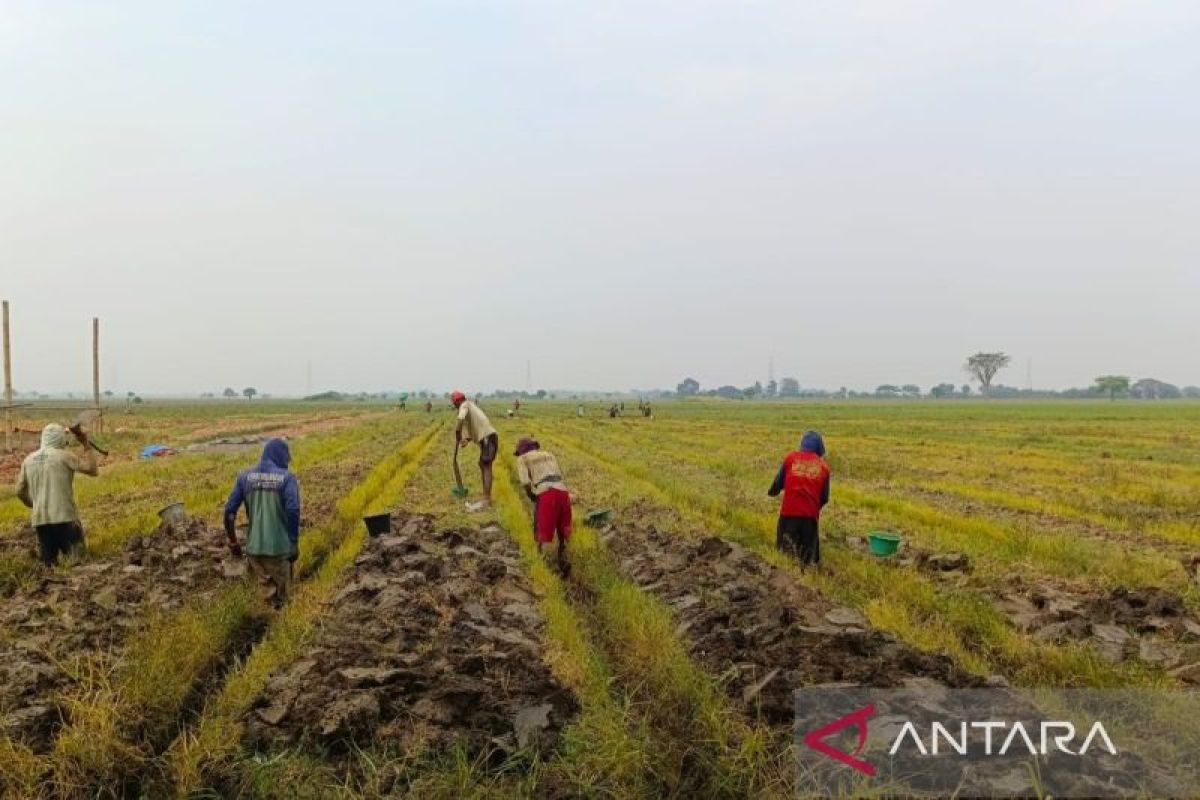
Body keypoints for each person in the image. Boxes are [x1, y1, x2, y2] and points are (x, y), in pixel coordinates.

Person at [224, 438, 301, 608]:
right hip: (279, 550)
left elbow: (229, 512)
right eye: (286, 459)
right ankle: (280, 628)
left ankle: (267, 624)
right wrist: (294, 542)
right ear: (280, 456)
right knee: (284, 602)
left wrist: (234, 541)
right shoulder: (287, 478)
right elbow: (293, 510)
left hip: (254, 551)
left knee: (265, 599)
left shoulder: (244, 477)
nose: (287, 464)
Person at [15, 423, 100, 566]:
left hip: (40, 521)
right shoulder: (64, 456)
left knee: (49, 565)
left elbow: (19, 490)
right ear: (60, 438)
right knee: (78, 562)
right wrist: (86, 445)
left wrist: (33, 503)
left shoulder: (28, 460)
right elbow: (93, 470)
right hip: (65, 518)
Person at [767, 430, 830, 566]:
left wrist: (772, 492)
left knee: (785, 555)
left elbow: (778, 482)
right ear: (819, 447)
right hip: (810, 516)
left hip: (788, 514)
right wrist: (813, 506)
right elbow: (825, 497)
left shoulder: (790, 459)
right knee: (808, 558)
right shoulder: (824, 467)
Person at [515, 437, 572, 575]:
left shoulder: (522, 458)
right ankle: (565, 561)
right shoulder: (549, 454)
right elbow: (560, 474)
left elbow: (525, 482)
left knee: (544, 534)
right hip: (563, 492)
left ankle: (549, 570)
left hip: (546, 494)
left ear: (521, 450)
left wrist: (531, 495)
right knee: (563, 531)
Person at [452, 390, 498, 509]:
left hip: (488, 437)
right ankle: (485, 496)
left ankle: (487, 498)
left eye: (454, 403)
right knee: (482, 464)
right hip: (487, 437)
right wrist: (467, 439)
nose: (454, 405)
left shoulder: (465, 405)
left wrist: (458, 433)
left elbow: (460, 419)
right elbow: (475, 426)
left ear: (458, 401)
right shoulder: (470, 406)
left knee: (486, 465)